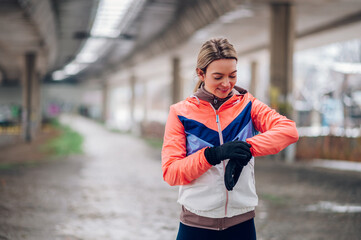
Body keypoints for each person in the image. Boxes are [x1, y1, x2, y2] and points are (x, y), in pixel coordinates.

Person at [161, 38, 299, 240]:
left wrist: (245, 148)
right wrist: (212, 155)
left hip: (241, 223)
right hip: (196, 224)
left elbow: (289, 131)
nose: (227, 84)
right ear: (201, 73)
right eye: (218, 77)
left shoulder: (248, 105)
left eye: (232, 75)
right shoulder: (180, 113)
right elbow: (171, 172)